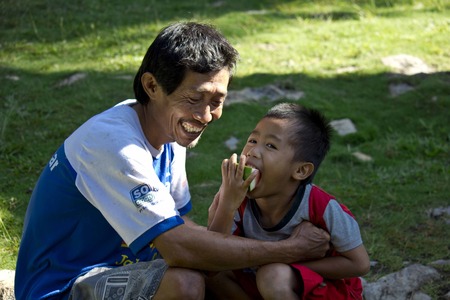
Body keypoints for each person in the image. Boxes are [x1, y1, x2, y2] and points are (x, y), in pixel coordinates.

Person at [14, 22, 330, 300]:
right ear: (152, 86)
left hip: (124, 272)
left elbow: (182, 231)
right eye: (195, 99)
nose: (207, 116)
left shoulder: (169, 133)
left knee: (219, 272)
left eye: (217, 101)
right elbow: (180, 247)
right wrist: (289, 250)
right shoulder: (116, 145)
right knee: (186, 285)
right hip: (63, 289)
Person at [208, 103, 370, 299]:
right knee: (208, 273)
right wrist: (226, 204)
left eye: (270, 145)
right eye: (252, 140)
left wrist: (291, 266)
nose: (252, 151)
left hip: (323, 289)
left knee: (272, 275)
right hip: (261, 284)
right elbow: (212, 258)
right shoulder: (235, 197)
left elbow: (359, 264)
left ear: (300, 170)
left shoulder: (321, 207)